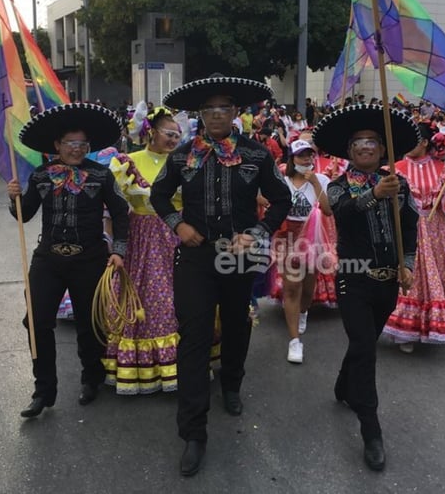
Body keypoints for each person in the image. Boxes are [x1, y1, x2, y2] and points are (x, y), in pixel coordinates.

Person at [150, 75, 291, 477]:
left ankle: (231, 383)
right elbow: (160, 195)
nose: (215, 115)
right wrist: (178, 224)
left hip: (238, 257)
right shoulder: (181, 156)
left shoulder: (256, 154)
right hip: (195, 256)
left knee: (235, 325)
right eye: (208, 109)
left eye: (223, 109)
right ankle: (193, 431)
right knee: (193, 335)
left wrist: (259, 233)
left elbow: (281, 199)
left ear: (236, 113)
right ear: (200, 115)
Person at [314, 104, 418, 473]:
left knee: (365, 343)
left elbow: (409, 228)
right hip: (353, 279)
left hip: (387, 282)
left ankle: (343, 385)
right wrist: (375, 193)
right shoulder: (340, 186)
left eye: (372, 141)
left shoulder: (400, 185)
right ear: (349, 151)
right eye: (358, 143)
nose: (365, 147)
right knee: (364, 349)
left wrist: (407, 265)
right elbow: (341, 213)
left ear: (383, 149)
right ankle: (371, 432)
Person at [10, 103, 130, 418]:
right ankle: (43, 390)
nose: (76, 150)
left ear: (88, 147)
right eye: (70, 144)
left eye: (81, 145)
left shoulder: (101, 175)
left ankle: (91, 378)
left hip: (90, 259)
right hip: (48, 259)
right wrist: (15, 199)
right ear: (57, 146)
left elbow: (120, 213)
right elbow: (24, 215)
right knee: (36, 323)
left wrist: (118, 250)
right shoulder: (41, 175)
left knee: (91, 324)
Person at [104, 108, 187, 394]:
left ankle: (179, 365)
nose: (174, 139)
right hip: (141, 240)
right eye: (169, 133)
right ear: (151, 131)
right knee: (143, 301)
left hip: (177, 235)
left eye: (178, 134)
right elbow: (113, 210)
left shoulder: (184, 161)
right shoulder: (128, 162)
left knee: (179, 298)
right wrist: (116, 247)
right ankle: (143, 367)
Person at [383, 122, 445, 352]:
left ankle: (429, 325)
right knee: (408, 273)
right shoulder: (396, 167)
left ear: (424, 142)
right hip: (406, 226)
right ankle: (405, 330)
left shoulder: (442, 167)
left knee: (434, 276)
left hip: (435, 230)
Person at [273, 138, 332, 364]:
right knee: (291, 287)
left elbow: (327, 210)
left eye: (309, 155)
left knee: (308, 289)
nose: (306, 160)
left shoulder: (323, 179)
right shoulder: (282, 180)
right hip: (287, 236)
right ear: (292, 158)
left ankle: (303, 311)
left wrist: (316, 183)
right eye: (301, 156)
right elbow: (265, 198)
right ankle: (294, 341)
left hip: (311, 238)